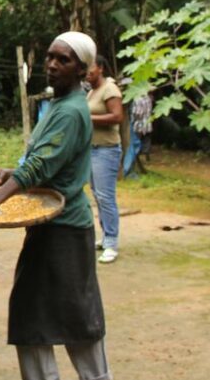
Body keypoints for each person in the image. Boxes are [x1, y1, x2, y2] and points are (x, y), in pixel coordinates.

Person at [0, 32, 112, 380]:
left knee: (78, 320)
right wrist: (11, 172)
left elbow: (40, 168)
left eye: (64, 59)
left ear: (82, 70)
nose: (52, 65)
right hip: (46, 226)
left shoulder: (72, 111)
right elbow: (48, 162)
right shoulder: (58, 106)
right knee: (31, 317)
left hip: (66, 230)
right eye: (50, 57)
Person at [86, 55, 124, 264]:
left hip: (106, 151)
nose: (87, 72)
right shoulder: (92, 90)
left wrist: (87, 117)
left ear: (100, 68)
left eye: (91, 67)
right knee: (98, 196)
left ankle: (111, 243)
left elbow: (117, 116)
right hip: (92, 150)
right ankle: (106, 236)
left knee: (106, 197)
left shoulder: (110, 89)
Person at [121, 79, 152, 178]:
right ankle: (127, 171)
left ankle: (128, 170)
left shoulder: (140, 98)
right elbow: (138, 113)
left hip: (138, 124)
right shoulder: (143, 98)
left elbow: (136, 113)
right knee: (133, 146)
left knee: (134, 145)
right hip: (139, 125)